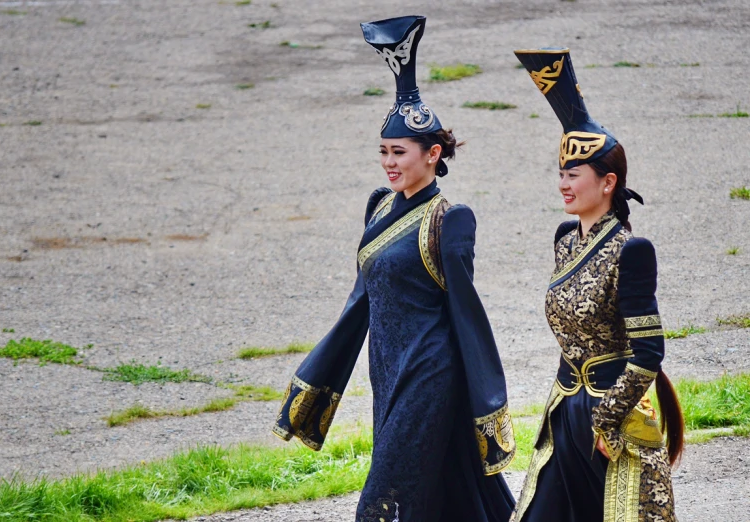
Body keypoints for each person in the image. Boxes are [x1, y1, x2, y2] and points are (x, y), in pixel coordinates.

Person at [272, 15, 516, 522]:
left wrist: (487, 401)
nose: (388, 162)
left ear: (432, 154)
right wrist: (316, 379)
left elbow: (467, 315)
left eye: (398, 152)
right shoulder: (379, 207)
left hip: (430, 373)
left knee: (386, 496)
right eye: (383, 151)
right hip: (387, 370)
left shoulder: (451, 219)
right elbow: (360, 301)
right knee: (453, 492)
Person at [509, 48, 684, 522]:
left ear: (608, 183)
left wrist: (608, 420)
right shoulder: (565, 240)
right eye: (561, 174)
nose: (563, 184)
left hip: (614, 417)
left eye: (574, 175)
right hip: (564, 408)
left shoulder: (632, 250)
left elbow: (649, 352)